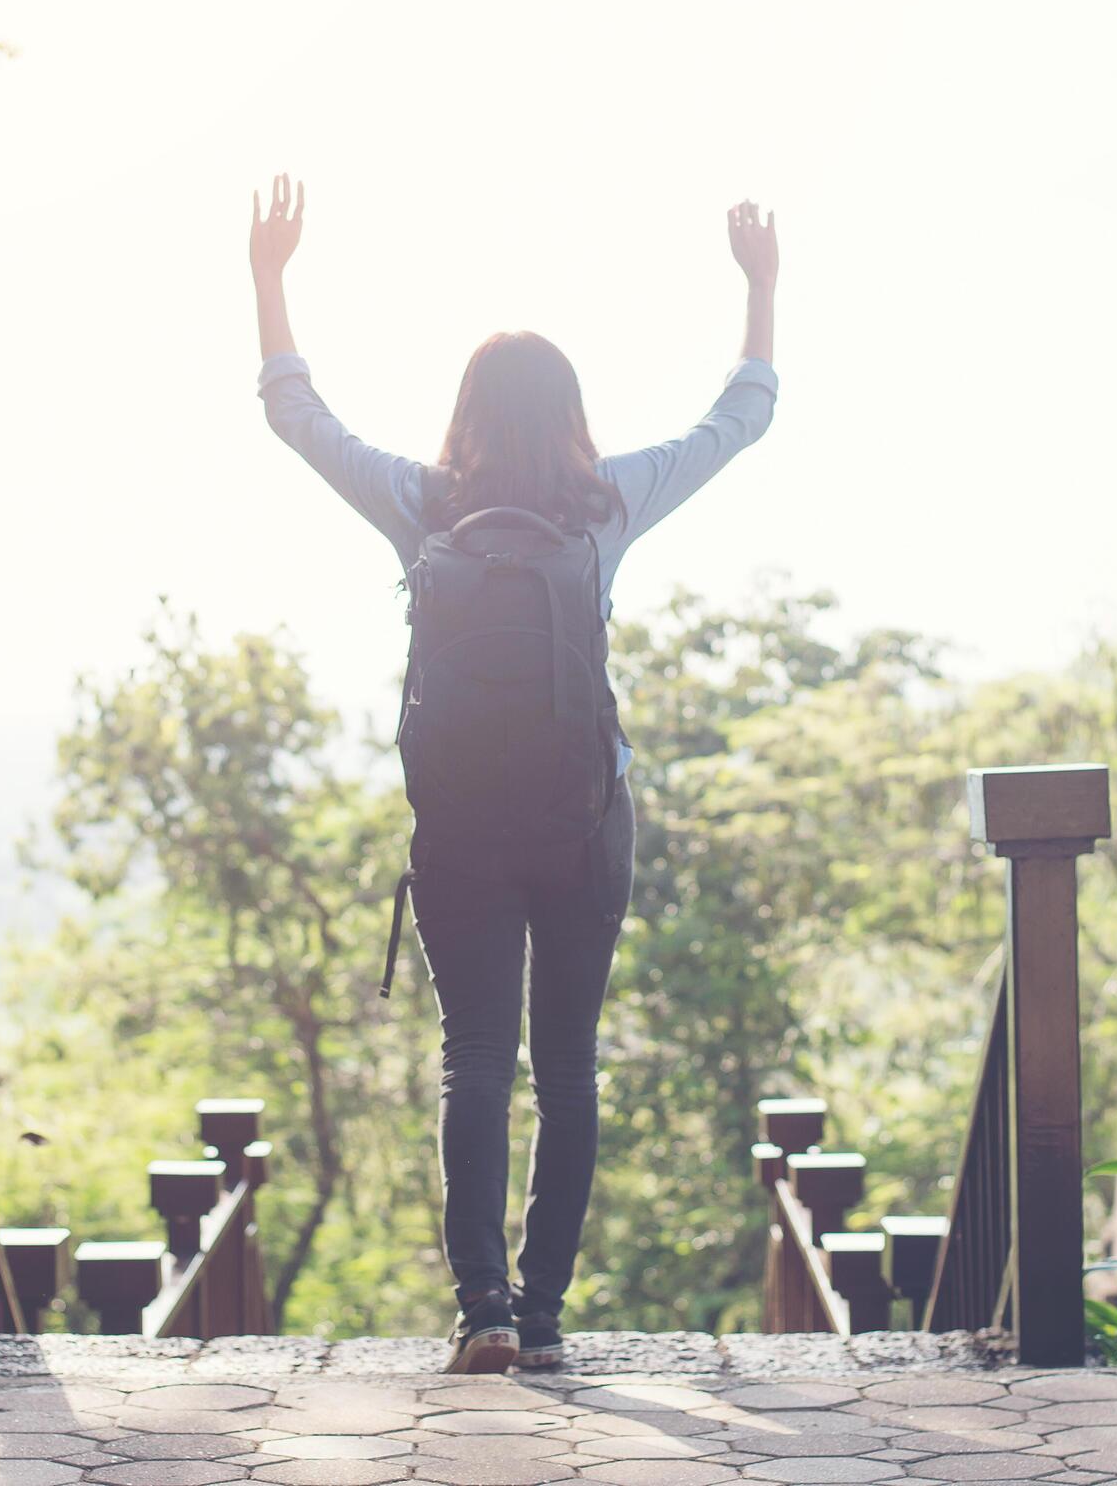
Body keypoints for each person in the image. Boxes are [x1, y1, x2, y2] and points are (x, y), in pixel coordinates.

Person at [245, 174, 781, 1371]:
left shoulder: (425, 507)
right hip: (584, 823)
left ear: (466, 411)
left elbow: (298, 414)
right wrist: (761, 291)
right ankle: (543, 1317)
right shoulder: (603, 506)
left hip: (461, 833)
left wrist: (270, 275)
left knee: (476, 1060)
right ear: (572, 414)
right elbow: (742, 418)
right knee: (570, 1067)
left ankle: (482, 1310)